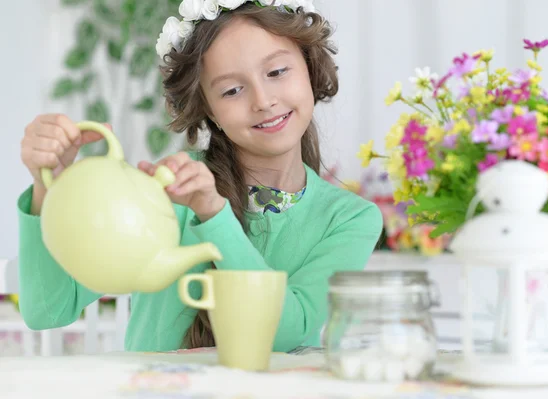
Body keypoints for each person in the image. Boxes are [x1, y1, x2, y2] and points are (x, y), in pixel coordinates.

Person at [16, 0, 383, 352]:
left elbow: (283, 333)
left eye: (276, 72)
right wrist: (47, 183)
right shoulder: (166, 192)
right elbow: (49, 309)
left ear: (310, 66)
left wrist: (214, 215)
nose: (263, 100)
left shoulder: (350, 218)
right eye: (232, 90)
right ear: (208, 109)